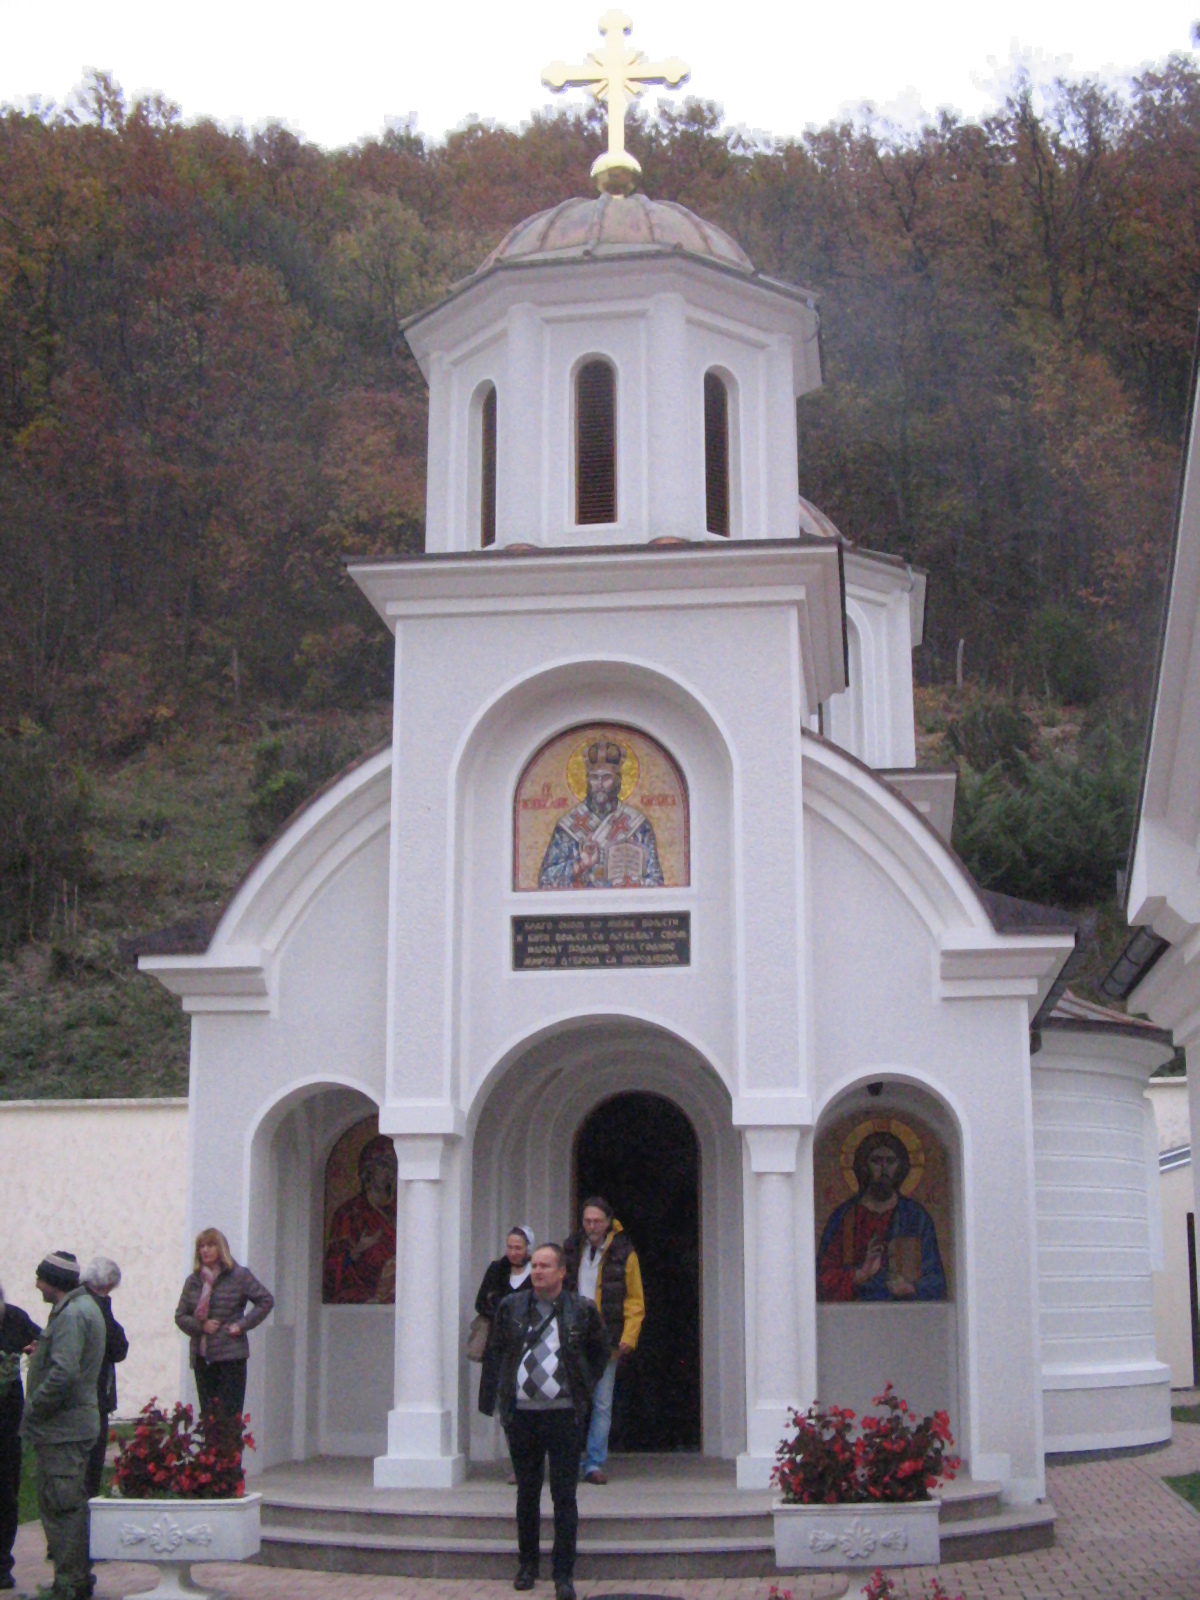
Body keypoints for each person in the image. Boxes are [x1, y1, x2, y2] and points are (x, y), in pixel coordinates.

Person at [493, 1243, 608, 1600]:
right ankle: (527, 1565)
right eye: (534, 1265)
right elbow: (500, 1350)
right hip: (522, 1417)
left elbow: (598, 1353)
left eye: (545, 1266)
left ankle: (563, 1574)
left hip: (563, 1416)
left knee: (564, 1496)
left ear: (562, 1273)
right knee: (526, 1494)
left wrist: (581, 1389)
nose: (537, 1271)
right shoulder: (510, 1307)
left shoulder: (582, 1310)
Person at [20, 1251, 105, 1600]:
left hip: (63, 1429)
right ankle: (75, 1578)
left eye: (41, 1278)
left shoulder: (72, 1314)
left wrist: (34, 1406)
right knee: (68, 1503)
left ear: (54, 1281)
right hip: (72, 1425)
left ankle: (70, 1583)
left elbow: (64, 1373)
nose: (37, 1284)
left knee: (62, 1506)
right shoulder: (82, 1309)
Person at [563, 1196, 645, 1484]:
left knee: (601, 1403)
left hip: (606, 1335)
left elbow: (635, 1298)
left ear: (608, 1221)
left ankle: (594, 1462)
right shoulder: (572, 1248)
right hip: (573, 1334)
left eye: (597, 1221)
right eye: (587, 1220)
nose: (592, 1226)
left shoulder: (624, 1251)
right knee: (571, 1401)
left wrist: (629, 1335)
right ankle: (570, 1460)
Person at [816, 1130, 947, 1302]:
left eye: (891, 1161)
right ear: (864, 1165)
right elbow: (821, 1280)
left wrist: (911, 1288)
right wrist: (860, 1275)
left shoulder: (916, 1217)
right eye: (876, 1161)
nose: (884, 1168)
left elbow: (937, 1281)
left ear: (900, 1167)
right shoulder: (845, 1217)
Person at [174, 1228, 274, 1421]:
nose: (205, 1250)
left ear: (221, 1249)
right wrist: (200, 1326)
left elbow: (266, 1300)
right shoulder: (194, 1281)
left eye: (210, 1245)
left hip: (230, 1357)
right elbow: (180, 1316)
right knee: (209, 1419)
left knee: (228, 1420)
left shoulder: (239, 1276)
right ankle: (210, 1453)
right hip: (203, 1358)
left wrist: (242, 1325)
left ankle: (229, 1452)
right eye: (201, 1246)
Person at [539, 738, 664, 888]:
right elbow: (545, 881)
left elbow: (656, 881)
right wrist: (580, 865)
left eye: (606, 778)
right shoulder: (567, 826)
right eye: (593, 778)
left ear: (618, 781)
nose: (599, 784)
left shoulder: (638, 825)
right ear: (586, 781)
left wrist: (634, 883)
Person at [322, 1134, 399, 1304]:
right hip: (360, 1292)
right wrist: (357, 1250)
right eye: (383, 1166)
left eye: (392, 1167)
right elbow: (332, 1270)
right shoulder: (349, 1213)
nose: (389, 1173)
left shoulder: (401, 1210)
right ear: (369, 1170)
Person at [0, 1280, 40, 1591]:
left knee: (6, 1493)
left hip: (8, 1421)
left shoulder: (14, 1317)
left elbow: (41, 1338)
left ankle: (2, 1564)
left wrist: (35, 1347)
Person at [475, 1226, 534, 1420]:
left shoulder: (536, 1271)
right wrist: (500, 1315)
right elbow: (481, 1302)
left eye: (518, 1248)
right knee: (501, 1398)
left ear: (528, 1248)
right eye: (509, 1247)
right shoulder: (496, 1269)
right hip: (499, 1345)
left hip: (529, 1344)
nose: (513, 1253)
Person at [81, 1258, 128, 1501]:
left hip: (91, 1395)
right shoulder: (95, 1308)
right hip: (94, 1396)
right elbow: (119, 1348)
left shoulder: (76, 1303)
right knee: (89, 1470)